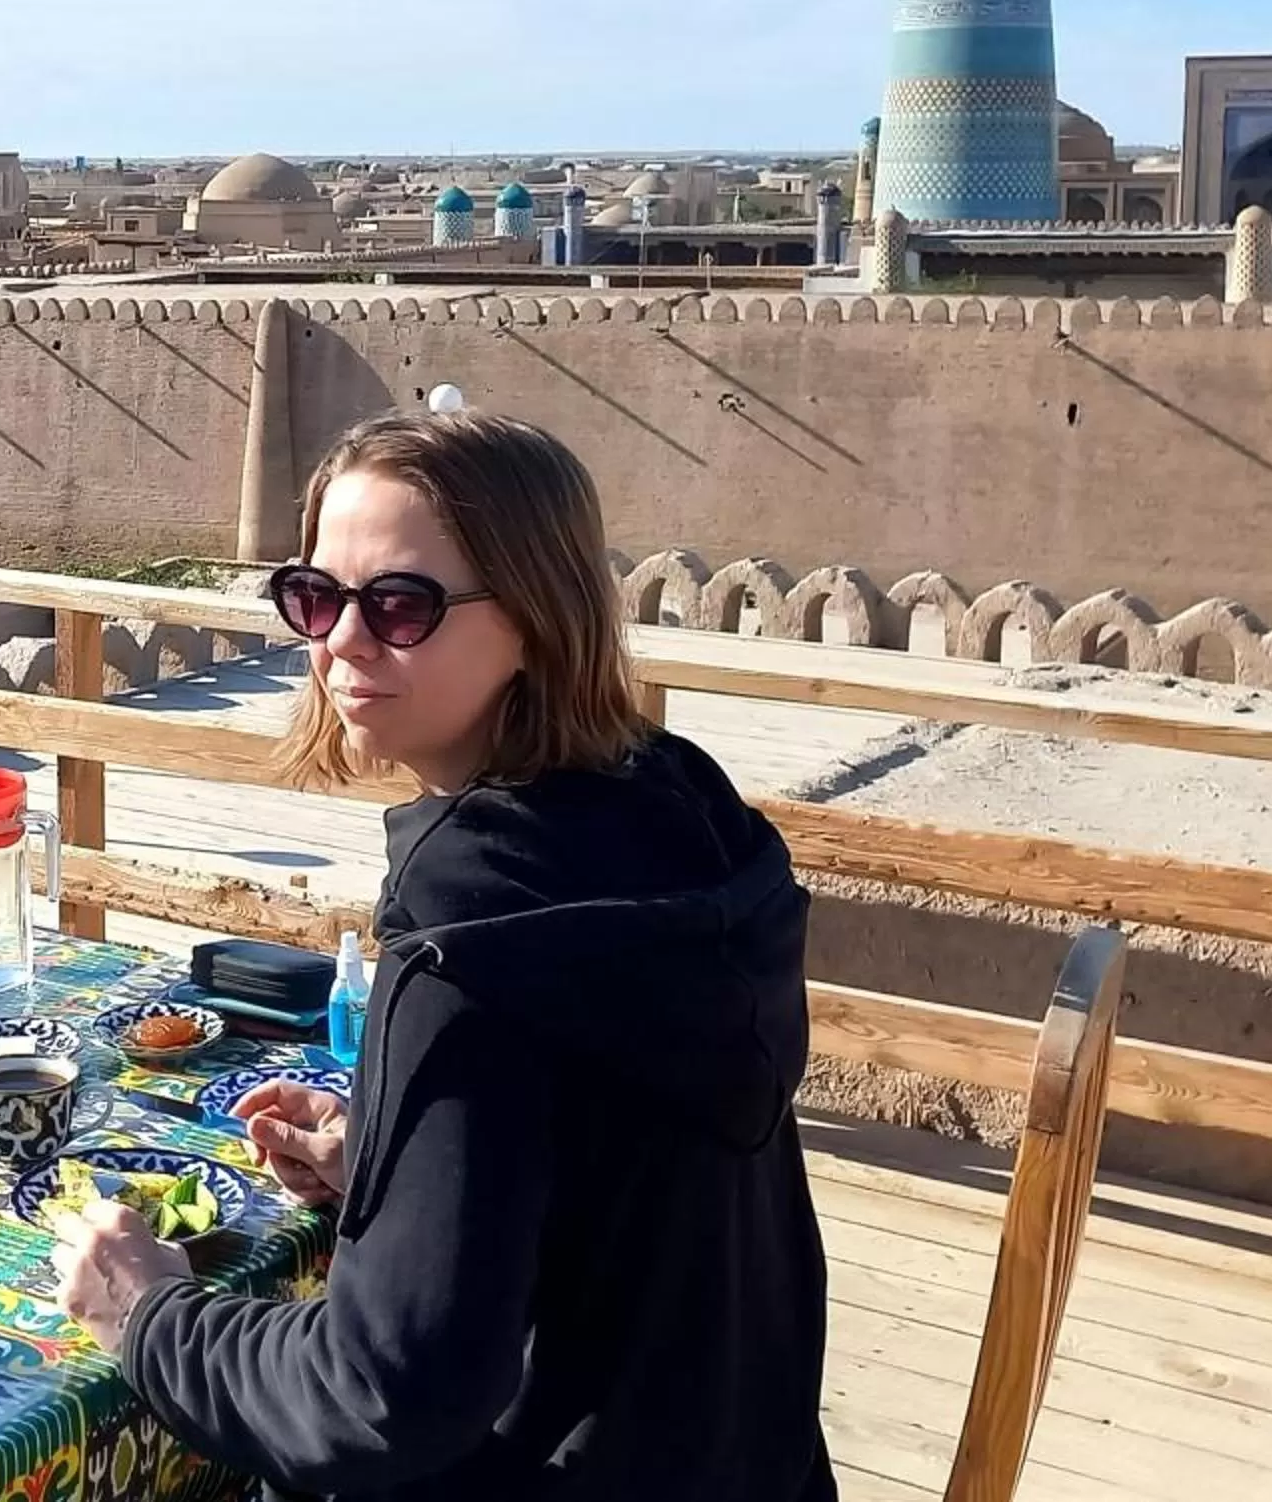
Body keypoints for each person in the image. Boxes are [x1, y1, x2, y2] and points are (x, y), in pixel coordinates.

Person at [56, 411, 835, 1500]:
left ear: (535, 615)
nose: (339, 641)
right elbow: (614, 1169)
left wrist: (148, 1311)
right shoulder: (681, 806)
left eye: (402, 605)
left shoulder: (472, 924)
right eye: (316, 596)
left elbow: (383, 1395)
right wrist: (393, 1157)